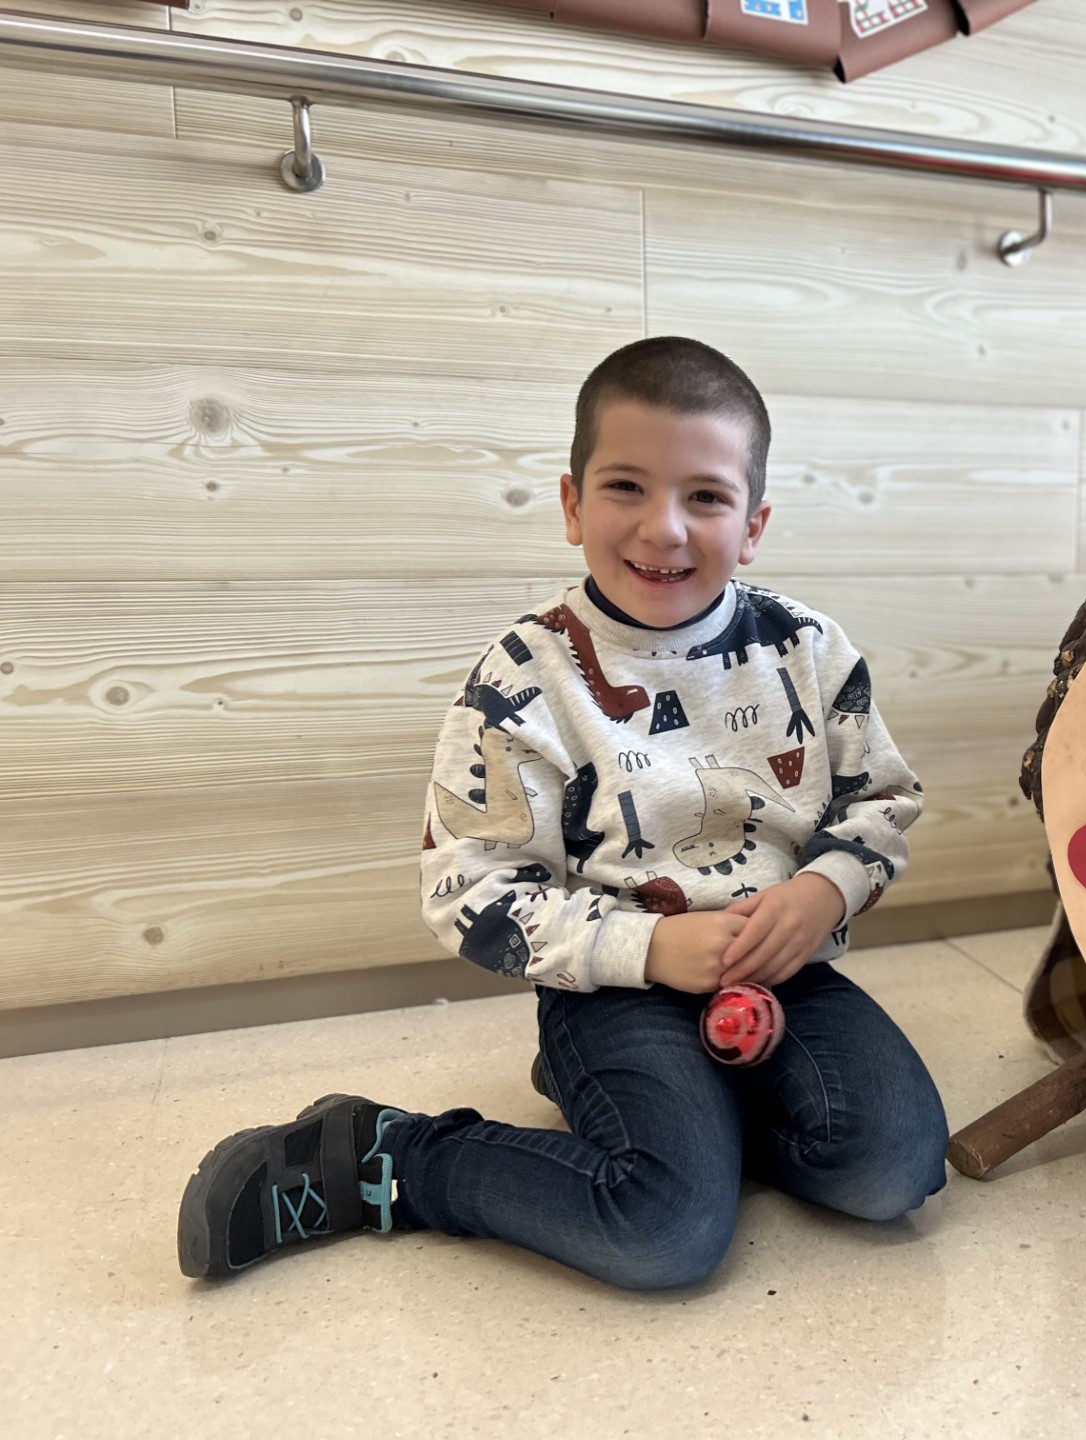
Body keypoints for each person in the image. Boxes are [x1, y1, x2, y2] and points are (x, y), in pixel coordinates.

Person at [177, 338, 949, 1289]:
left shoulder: (809, 649)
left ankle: (686, 1119)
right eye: (627, 487)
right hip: (613, 988)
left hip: (782, 973)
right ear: (574, 504)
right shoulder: (521, 678)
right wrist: (650, 948)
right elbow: (469, 888)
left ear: (753, 525)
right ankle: (388, 1156)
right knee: (665, 1231)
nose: (664, 528)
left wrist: (824, 892)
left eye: (706, 497)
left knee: (895, 1172)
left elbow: (881, 801)